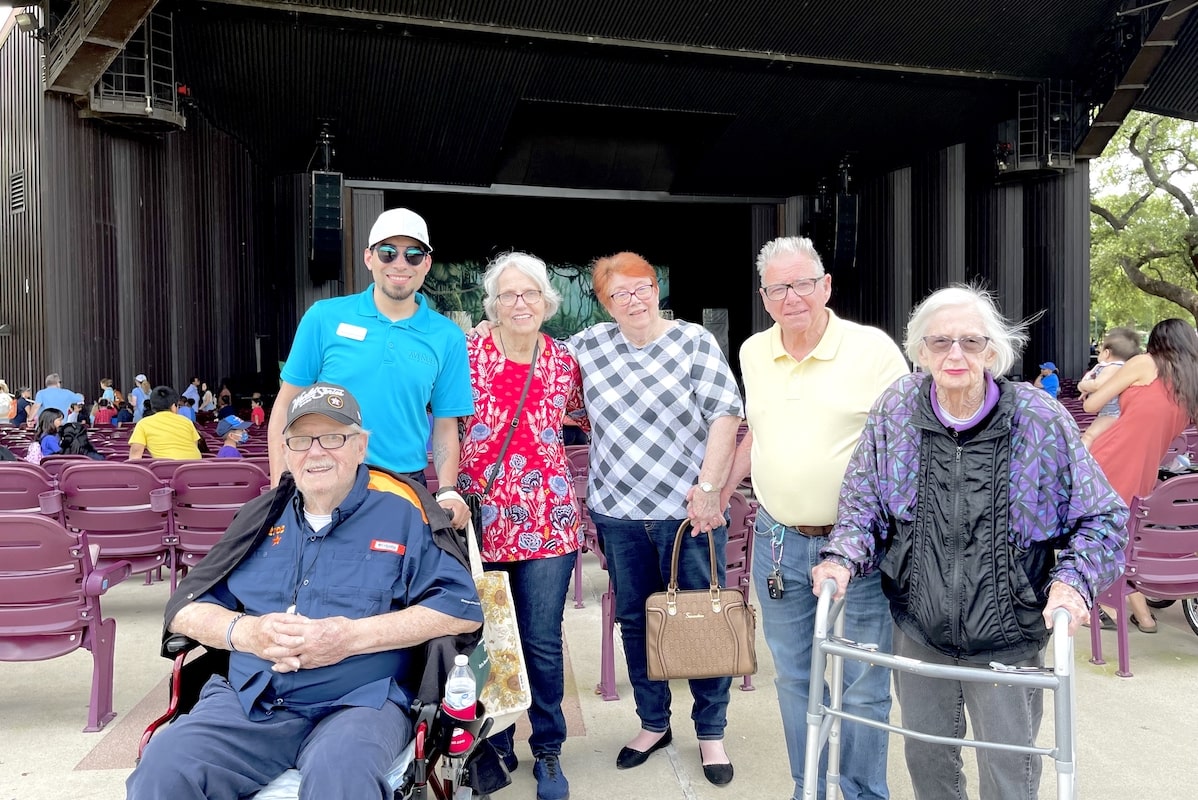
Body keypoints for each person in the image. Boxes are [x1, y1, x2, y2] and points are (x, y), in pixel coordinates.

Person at [811, 284, 1128, 800]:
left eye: (970, 342)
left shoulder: (1038, 419)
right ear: (919, 352)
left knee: (1009, 773)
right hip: (919, 627)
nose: (954, 354)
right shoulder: (896, 410)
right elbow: (862, 502)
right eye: (939, 343)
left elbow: (1104, 518)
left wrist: (1073, 583)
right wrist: (842, 557)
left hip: (1009, 632)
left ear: (994, 351)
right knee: (927, 762)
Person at [125, 382, 483, 799]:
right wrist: (246, 632)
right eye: (301, 439)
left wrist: (349, 638)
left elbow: (460, 607)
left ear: (360, 446)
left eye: (333, 437)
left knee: (341, 781)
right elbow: (185, 608)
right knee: (163, 768)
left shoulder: (405, 515)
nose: (316, 452)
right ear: (285, 449)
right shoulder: (258, 518)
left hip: (360, 703)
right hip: (250, 701)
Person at [722, 236, 908, 800]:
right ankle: (811, 790)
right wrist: (717, 489)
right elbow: (758, 432)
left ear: (826, 286)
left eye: (803, 283)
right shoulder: (754, 351)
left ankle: (862, 793)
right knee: (797, 680)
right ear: (764, 296)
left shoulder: (872, 349)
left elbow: (903, 444)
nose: (792, 296)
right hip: (780, 543)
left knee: (865, 684)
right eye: (778, 287)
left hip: (866, 549)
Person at [562, 251, 744, 784]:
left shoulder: (692, 340)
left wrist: (709, 488)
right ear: (604, 302)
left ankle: (711, 734)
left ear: (656, 288)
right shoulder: (589, 346)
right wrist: (487, 330)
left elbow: (725, 414)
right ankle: (653, 722)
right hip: (617, 512)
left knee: (704, 625)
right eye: (620, 293)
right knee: (636, 622)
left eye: (642, 287)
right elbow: (536, 364)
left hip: (687, 514)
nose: (634, 299)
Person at [457, 252, 588, 800]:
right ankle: (502, 737)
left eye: (530, 293)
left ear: (547, 302)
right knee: (498, 637)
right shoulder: (468, 352)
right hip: (484, 519)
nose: (519, 303)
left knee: (540, 638)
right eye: (508, 294)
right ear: (493, 305)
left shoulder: (563, 361)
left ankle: (550, 748)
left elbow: (586, 418)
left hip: (549, 520)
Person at [270, 208, 474, 530]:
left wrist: (448, 489)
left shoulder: (447, 336)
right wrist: (280, 486)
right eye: (388, 252)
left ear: (426, 265)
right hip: (328, 480)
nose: (400, 264)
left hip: (405, 486)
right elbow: (286, 405)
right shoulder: (324, 317)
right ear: (369, 258)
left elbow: (446, 423)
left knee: (399, 580)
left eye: (413, 255)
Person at [1085, 318, 1198, 633]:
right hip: (1146, 468)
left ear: (1156, 343)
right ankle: (1142, 615)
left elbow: (1094, 404)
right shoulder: (1191, 383)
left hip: (1111, 458)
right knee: (1126, 534)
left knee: (1105, 532)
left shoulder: (1145, 363)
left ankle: (1111, 605)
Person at [1076, 327, 1140, 449]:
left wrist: (1082, 385)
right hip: (1110, 412)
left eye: (1099, 351)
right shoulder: (1123, 367)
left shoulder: (1113, 367)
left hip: (1112, 414)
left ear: (1106, 353)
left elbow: (1097, 385)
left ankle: (1081, 461)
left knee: (1089, 435)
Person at [128, 386, 202, 460]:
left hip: (165, 468)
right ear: (173, 406)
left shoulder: (143, 424)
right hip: (193, 468)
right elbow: (195, 445)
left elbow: (135, 456)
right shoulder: (187, 422)